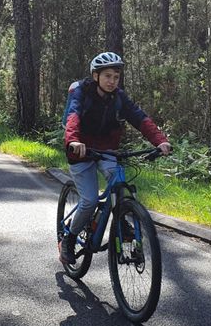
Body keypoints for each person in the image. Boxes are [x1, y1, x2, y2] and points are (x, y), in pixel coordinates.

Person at [59, 52, 171, 264]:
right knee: (90, 200)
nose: (112, 81)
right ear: (96, 76)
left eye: (116, 77)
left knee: (118, 180)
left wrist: (160, 141)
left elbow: (140, 118)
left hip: (107, 149)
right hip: (81, 149)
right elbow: (73, 117)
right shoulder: (82, 92)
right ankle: (69, 238)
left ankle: (120, 216)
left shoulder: (119, 98)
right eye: (107, 76)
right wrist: (73, 141)